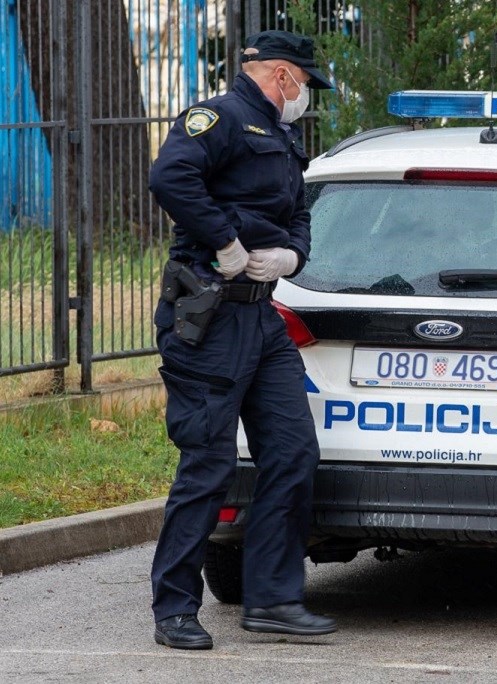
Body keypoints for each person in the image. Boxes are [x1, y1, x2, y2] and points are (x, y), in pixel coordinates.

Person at [146, 30, 335, 650]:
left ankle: (273, 600)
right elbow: (171, 177)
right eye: (304, 83)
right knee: (208, 464)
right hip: (211, 316)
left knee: (291, 451)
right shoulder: (218, 118)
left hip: (262, 317)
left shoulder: (282, 136)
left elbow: (299, 212)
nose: (305, 94)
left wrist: (291, 256)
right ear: (282, 75)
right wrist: (226, 242)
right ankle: (175, 608)